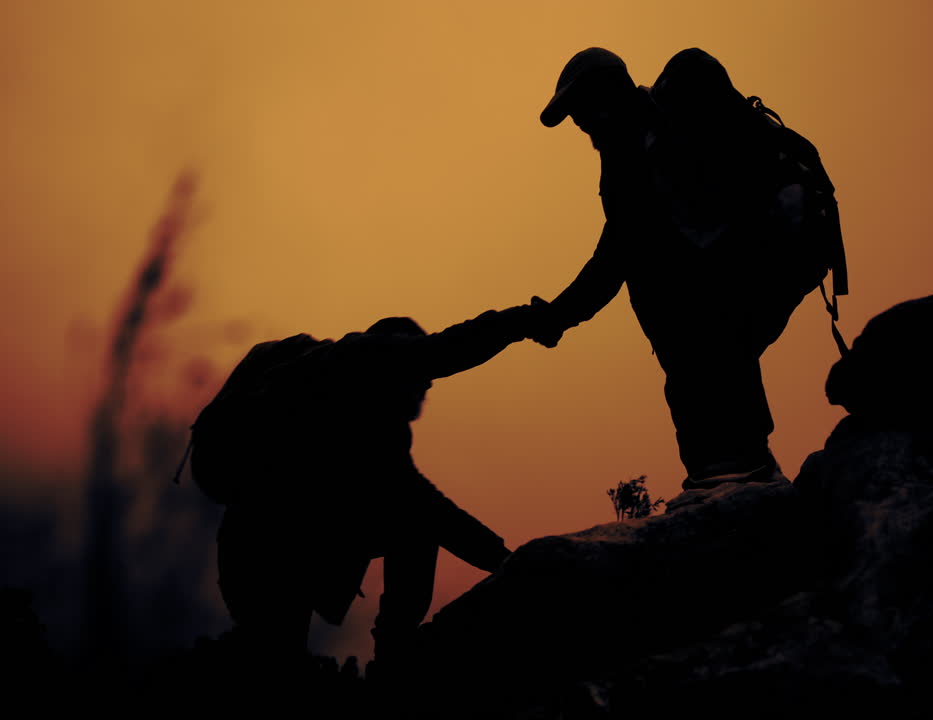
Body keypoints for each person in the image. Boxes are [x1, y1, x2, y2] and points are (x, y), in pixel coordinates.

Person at [531, 47, 830, 490]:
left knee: (709, 340)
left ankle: (744, 467)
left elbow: (615, 257)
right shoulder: (637, 144)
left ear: (608, 94)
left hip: (764, 255)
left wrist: (559, 315)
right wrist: (560, 315)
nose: (579, 124)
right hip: (775, 254)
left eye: (582, 110)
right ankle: (728, 467)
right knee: (702, 346)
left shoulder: (659, 138)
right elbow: (621, 250)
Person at [190, 305, 538, 676]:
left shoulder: (367, 420)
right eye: (419, 374)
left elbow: (428, 507)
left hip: (271, 553)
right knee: (276, 667)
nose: (426, 387)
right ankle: (393, 657)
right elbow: (430, 511)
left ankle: (390, 656)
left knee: (279, 662)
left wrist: (505, 560)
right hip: (265, 559)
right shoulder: (343, 399)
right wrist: (508, 563)